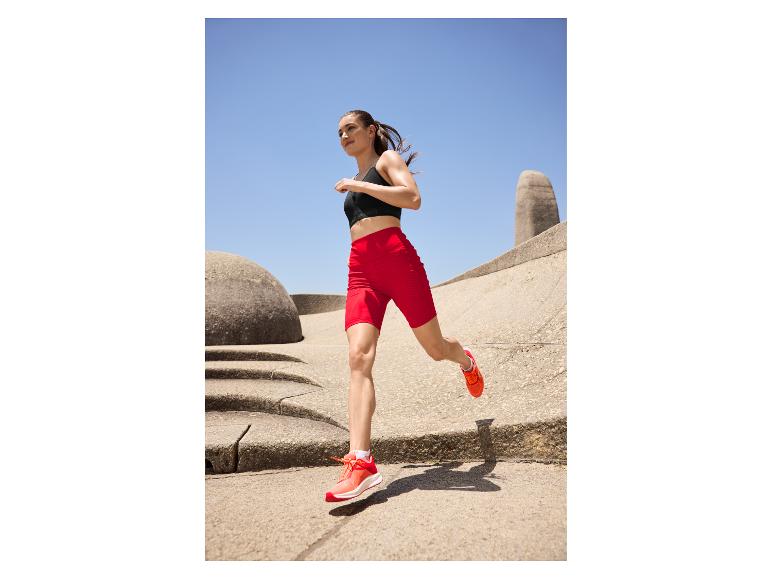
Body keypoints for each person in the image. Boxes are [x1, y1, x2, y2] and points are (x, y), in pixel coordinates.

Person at [324, 109, 485, 503]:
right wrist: (356, 187)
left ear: (371, 131)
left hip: (398, 261)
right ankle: (360, 461)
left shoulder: (385, 162)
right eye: (339, 132)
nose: (344, 136)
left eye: (351, 129)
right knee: (358, 357)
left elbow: (412, 199)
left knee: (435, 350)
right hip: (360, 269)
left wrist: (361, 187)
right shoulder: (356, 178)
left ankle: (463, 358)